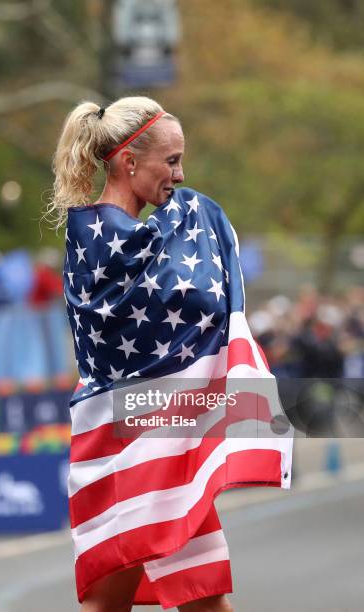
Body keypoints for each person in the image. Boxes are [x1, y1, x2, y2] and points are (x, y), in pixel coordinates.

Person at [48, 96, 293, 612]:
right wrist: (194, 218)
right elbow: (181, 308)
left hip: (159, 445)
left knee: (197, 598)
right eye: (172, 161)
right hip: (128, 442)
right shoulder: (97, 241)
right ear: (130, 161)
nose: (180, 176)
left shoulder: (161, 232)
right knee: (157, 600)